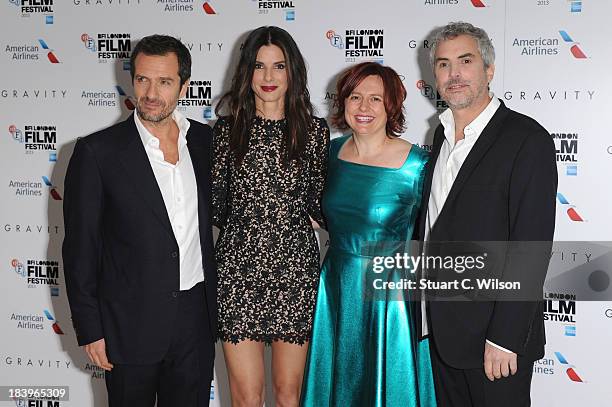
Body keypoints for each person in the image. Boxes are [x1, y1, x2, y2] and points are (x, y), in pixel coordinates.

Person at [62, 35, 216, 407]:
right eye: (143, 79)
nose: (150, 93)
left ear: (184, 85)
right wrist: (89, 329)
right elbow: (80, 247)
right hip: (127, 324)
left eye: (164, 82)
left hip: (195, 319)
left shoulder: (206, 142)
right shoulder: (97, 152)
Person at [417, 22, 557, 407]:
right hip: (442, 336)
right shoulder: (439, 136)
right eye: (443, 65)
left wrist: (505, 339)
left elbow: (531, 246)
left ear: (489, 69)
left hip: (495, 345)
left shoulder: (526, 139)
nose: (454, 74)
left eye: (465, 61)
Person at [301, 62, 437, 407]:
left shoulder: (419, 165)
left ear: (391, 105)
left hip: (390, 294)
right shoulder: (329, 155)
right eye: (355, 97)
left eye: (375, 99)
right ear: (342, 102)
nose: (364, 108)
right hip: (336, 284)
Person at [212, 26, 329, 407]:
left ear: (292, 71)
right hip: (237, 272)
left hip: (295, 273)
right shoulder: (226, 132)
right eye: (259, 67)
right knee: (246, 397)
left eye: (278, 66)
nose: (267, 77)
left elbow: (319, 202)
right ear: (246, 72)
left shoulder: (313, 132)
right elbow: (217, 205)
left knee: (288, 395)